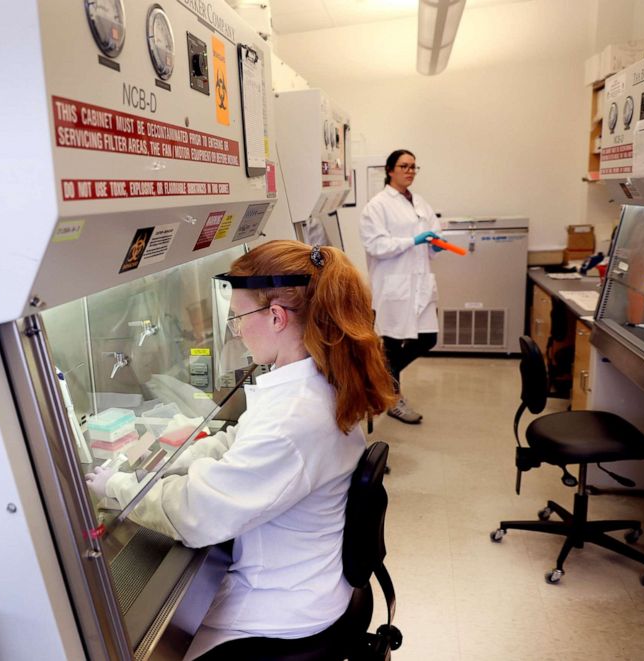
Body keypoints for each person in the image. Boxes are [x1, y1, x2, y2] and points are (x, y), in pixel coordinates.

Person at [86, 241, 396, 660]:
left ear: (275, 317)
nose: (235, 330)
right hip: (310, 582)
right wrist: (170, 459)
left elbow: (197, 513)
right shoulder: (315, 380)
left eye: (236, 317)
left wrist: (121, 487)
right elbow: (236, 441)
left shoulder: (294, 419)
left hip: (282, 614)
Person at [359, 149, 443, 424]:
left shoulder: (419, 202)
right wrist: (413, 240)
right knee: (393, 344)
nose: (410, 171)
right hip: (394, 285)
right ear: (390, 169)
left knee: (428, 338)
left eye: (414, 167)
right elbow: (376, 245)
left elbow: (434, 228)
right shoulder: (377, 205)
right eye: (404, 166)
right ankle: (393, 398)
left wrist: (435, 244)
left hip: (419, 283)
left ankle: (379, 381)